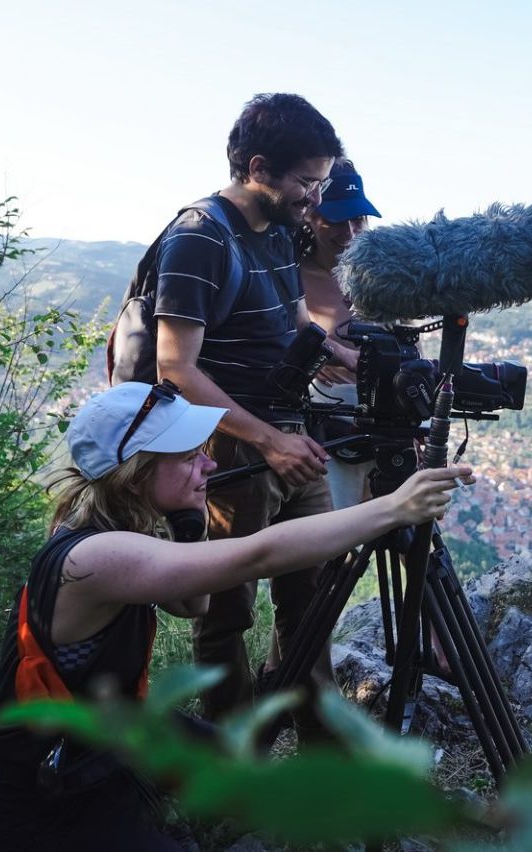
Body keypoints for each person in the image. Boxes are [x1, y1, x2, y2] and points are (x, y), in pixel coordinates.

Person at [0, 381, 472, 851]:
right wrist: (393, 508)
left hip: (101, 745)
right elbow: (257, 554)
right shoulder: (96, 558)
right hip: (31, 796)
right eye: (189, 455)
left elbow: (192, 605)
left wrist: (188, 517)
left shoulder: (102, 527)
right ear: (136, 471)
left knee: (236, 765)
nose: (210, 463)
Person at [147, 93, 357, 722]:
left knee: (312, 590)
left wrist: (346, 358)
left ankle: (317, 734)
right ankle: (232, 749)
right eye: (305, 181)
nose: (314, 198)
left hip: (291, 433)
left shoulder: (279, 233)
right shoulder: (200, 237)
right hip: (232, 446)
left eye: (319, 182)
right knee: (227, 603)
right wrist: (267, 441)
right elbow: (175, 368)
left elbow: (292, 315)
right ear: (259, 167)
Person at [295, 157, 381, 509]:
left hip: (386, 421)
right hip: (328, 430)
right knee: (334, 537)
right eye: (334, 220)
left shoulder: (381, 274)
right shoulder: (292, 276)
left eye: (357, 219)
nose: (348, 233)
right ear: (310, 216)